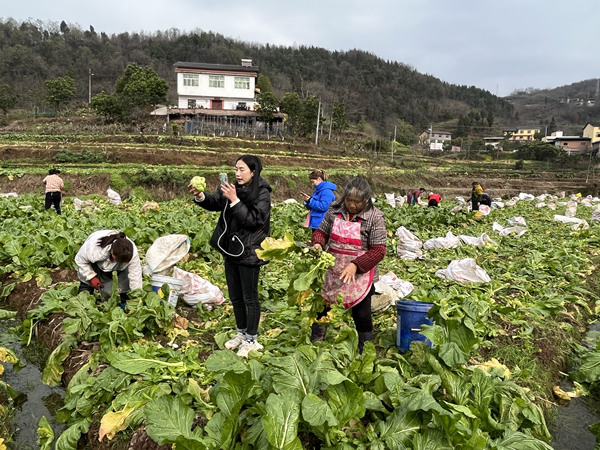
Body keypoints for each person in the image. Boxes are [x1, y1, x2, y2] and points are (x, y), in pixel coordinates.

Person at [189, 155, 272, 358]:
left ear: (253, 172)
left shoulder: (262, 192)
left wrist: (235, 200)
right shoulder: (232, 187)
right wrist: (201, 196)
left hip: (250, 250)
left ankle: (252, 339)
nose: (237, 173)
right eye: (236, 169)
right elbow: (215, 201)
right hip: (231, 248)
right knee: (235, 296)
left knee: (249, 297)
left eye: (242, 170)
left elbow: (255, 220)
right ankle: (241, 333)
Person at [310, 177, 387, 353]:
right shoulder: (334, 210)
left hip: (359, 274)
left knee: (362, 313)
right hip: (333, 270)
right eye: (349, 200)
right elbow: (322, 232)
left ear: (366, 200)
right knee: (323, 308)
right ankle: (316, 344)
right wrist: (318, 243)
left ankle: (365, 350)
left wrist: (355, 265)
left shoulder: (375, 217)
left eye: (357, 202)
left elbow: (378, 250)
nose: (352, 205)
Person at [75, 230, 143, 310]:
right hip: (95, 262)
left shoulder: (132, 253)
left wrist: (136, 297)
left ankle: (126, 306)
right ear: (112, 251)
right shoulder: (95, 248)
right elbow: (80, 260)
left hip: (119, 268)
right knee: (86, 286)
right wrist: (91, 276)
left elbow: (135, 275)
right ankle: (82, 306)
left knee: (125, 280)